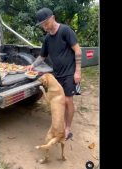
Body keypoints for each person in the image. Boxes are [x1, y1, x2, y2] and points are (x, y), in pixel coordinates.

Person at [27, 8, 82, 141]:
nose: (44, 27)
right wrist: (32, 65)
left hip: (70, 73)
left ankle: (67, 128)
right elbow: (42, 56)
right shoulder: (47, 39)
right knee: (60, 100)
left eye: (45, 23)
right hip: (57, 74)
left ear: (52, 18)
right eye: (42, 25)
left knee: (68, 100)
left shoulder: (65, 31)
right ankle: (62, 124)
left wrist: (78, 71)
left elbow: (78, 51)